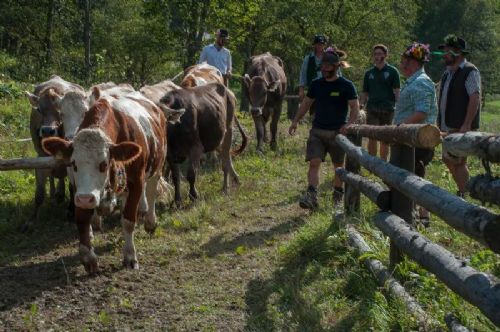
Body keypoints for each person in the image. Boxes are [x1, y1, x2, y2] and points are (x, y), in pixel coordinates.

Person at [289, 50, 359, 209]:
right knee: (314, 163)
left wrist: (349, 124)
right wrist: (295, 121)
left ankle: (338, 194)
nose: (324, 69)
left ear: (336, 67)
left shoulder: (346, 85)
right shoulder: (316, 84)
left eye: (327, 67)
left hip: (337, 134)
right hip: (317, 131)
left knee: (338, 166)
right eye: (322, 67)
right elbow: (306, 103)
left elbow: (355, 106)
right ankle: (312, 196)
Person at [394, 42, 437, 224]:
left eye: (405, 60)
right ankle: (417, 214)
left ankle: (421, 215)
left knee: (416, 178)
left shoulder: (421, 82)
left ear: (414, 63)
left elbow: (422, 112)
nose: (402, 64)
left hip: (418, 138)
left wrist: (399, 127)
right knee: (412, 177)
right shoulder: (414, 81)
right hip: (410, 137)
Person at [437, 34, 481, 198]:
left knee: (459, 161)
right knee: (448, 159)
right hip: (448, 124)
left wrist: (467, 124)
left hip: (461, 124)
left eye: (448, 51)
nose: (444, 54)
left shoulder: (470, 71)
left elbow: (475, 97)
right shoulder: (447, 73)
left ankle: (465, 193)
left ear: (458, 53)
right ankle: (464, 189)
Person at [360, 44, 401, 161]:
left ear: (385, 55)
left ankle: (383, 164)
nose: (377, 56)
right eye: (375, 54)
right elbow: (364, 93)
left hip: (388, 109)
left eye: (380, 54)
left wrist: (399, 107)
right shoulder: (369, 73)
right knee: (372, 136)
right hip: (372, 108)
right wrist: (361, 106)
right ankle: (372, 163)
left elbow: (397, 91)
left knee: (385, 138)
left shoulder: (393, 71)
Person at [298, 34, 326, 103]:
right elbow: (303, 74)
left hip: (327, 88)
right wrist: (301, 90)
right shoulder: (308, 58)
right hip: (312, 90)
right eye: (318, 44)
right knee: (313, 112)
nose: (320, 46)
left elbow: (337, 72)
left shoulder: (329, 57)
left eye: (322, 44)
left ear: (324, 45)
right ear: (314, 45)